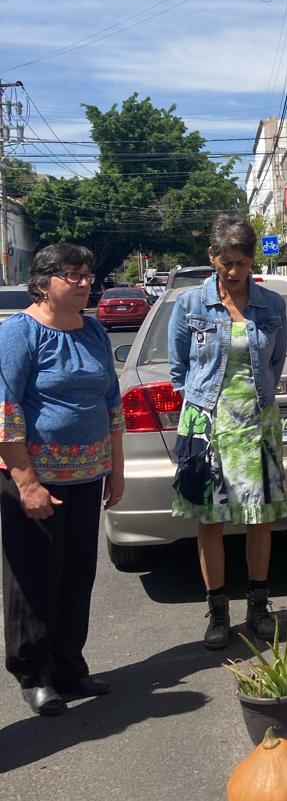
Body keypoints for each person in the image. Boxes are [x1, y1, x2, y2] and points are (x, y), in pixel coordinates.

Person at [0, 244, 123, 716]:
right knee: (34, 577)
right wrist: (26, 483)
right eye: (73, 275)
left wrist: (116, 469)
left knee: (77, 573)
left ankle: (71, 664)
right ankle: (35, 674)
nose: (84, 282)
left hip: (88, 476)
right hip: (35, 479)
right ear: (43, 283)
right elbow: (6, 410)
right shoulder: (20, 332)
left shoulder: (93, 330)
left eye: (87, 274)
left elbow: (111, 402)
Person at [168, 215, 287, 651]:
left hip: (257, 420)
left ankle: (259, 605)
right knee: (211, 520)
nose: (234, 272)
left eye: (242, 263)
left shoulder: (272, 305)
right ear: (212, 257)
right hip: (207, 424)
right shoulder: (189, 304)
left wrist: (257, 399)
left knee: (260, 518)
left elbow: (275, 362)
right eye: (226, 263)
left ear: (252, 260)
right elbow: (179, 369)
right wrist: (201, 410)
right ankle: (217, 610)